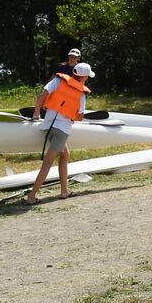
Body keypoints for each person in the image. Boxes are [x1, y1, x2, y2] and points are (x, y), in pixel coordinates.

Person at [23, 62, 95, 204]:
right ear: (84, 77)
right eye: (87, 77)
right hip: (62, 130)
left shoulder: (57, 81)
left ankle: (64, 191)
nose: (87, 79)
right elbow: (79, 117)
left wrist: (36, 114)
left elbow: (41, 96)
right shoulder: (81, 93)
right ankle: (31, 196)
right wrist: (70, 114)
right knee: (48, 163)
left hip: (47, 126)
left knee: (65, 154)